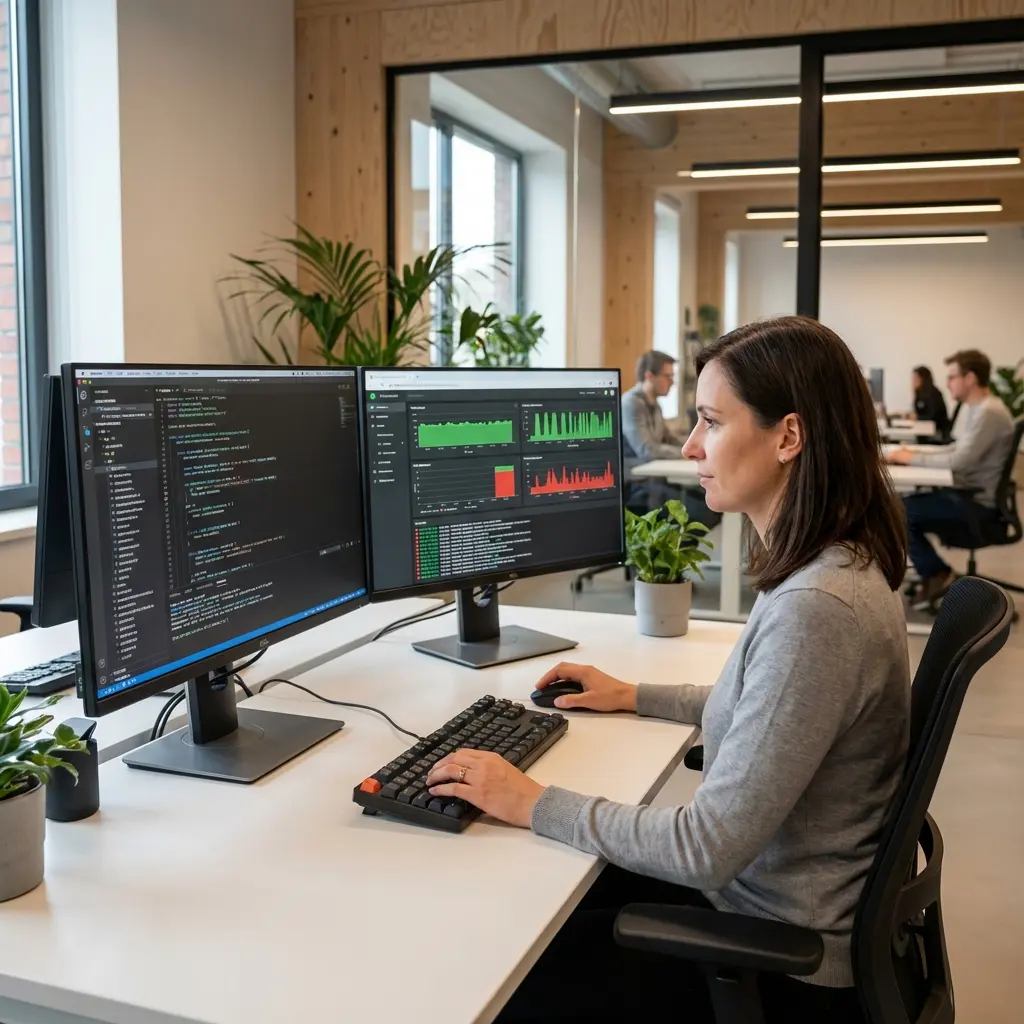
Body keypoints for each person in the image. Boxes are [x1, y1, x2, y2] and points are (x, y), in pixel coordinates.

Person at [427, 316, 911, 1024]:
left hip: (773, 956)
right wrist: (634, 694)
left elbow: (702, 848)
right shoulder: (835, 562)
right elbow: (770, 707)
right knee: (536, 887)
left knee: (489, 964)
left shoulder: (818, 608)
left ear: (789, 436)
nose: (690, 447)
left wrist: (530, 799)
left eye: (711, 421)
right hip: (768, 905)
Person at [888, 349, 1013, 607]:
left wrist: (910, 458)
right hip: (968, 493)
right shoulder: (980, 409)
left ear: (970, 378)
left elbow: (959, 461)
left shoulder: (988, 412)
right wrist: (915, 452)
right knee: (899, 503)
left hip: (977, 504)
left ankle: (937, 574)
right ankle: (932, 573)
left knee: (897, 510)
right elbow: (956, 449)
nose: (947, 383)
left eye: (952, 376)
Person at [622, 350, 721, 528]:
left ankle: (678, 550)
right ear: (649, 376)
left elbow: (669, 439)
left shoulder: (655, 405)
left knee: (712, 496)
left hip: (654, 479)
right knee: (704, 508)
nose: (672, 382)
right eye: (668, 376)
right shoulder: (631, 404)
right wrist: (685, 453)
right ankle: (670, 550)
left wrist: (699, 448)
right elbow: (648, 451)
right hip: (635, 485)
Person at [910, 365, 950, 442]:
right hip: (924, 431)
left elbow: (934, 416)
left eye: (916, 378)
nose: (913, 381)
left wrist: (917, 418)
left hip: (936, 433)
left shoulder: (933, 393)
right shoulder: (919, 393)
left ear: (923, 379)